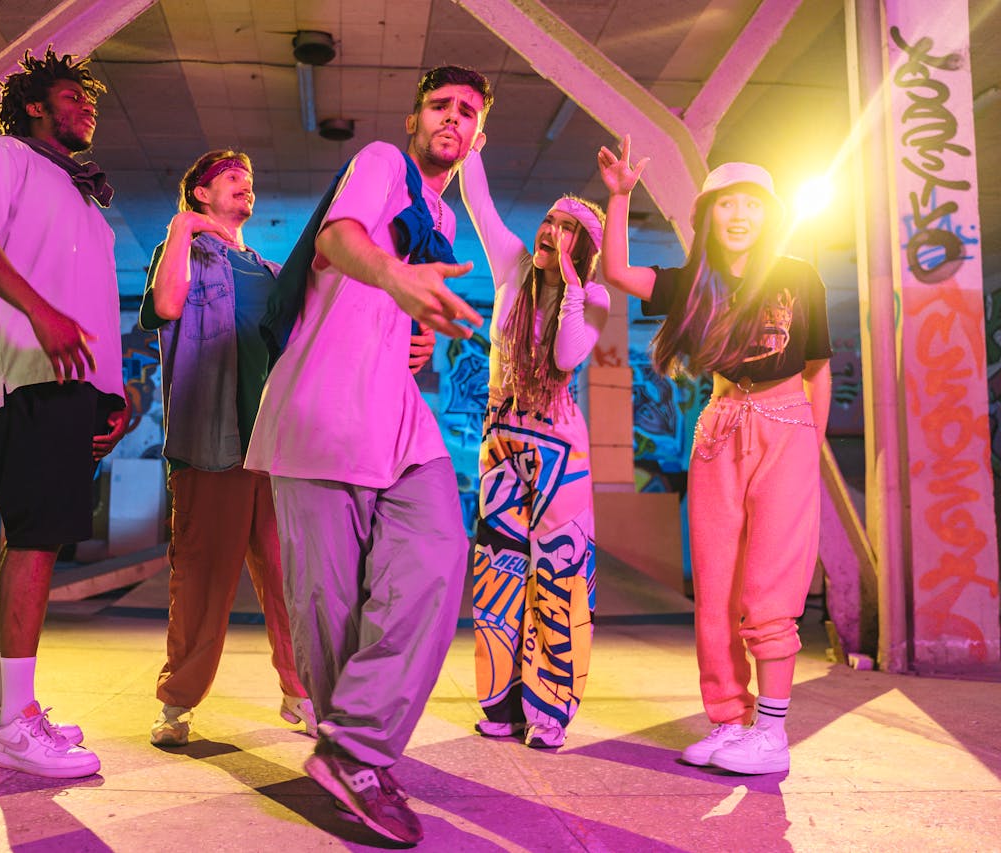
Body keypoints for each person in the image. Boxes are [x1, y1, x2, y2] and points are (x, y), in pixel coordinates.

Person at [244, 65, 491, 845]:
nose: (454, 118)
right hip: (322, 411)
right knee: (334, 611)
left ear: (478, 136)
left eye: (469, 112)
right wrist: (394, 277)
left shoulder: (444, 224)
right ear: (416, 119)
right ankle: (356, 759)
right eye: (441, 106)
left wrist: (417, 338)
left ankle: (352, 746)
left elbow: (398, 308)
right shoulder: (382, 162)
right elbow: (337, 239)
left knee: (437, 557)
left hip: (397, 420)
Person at [597, 137, 832, 775]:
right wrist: (619, 199)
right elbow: (617, 273)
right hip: (719, 430)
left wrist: (808, 441)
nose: (738, 216)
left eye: (751, 206)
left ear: (768, 216)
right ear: (708, 217)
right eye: (725, 205)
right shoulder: (693, 283)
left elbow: (817, 369)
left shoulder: (797, 277)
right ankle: (731, 722)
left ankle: (773, 734)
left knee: (767, 587)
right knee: (719, 588)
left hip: (785, 424)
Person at [0, 48, 128, 778]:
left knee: (27, 538)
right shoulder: (6, 155)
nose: (87, 108)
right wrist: (41, 313)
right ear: (38, 106)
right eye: (74, 97)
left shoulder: (81, 196)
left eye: (90, 100)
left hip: (68, 385)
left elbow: (92, 309)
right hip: (30, 377)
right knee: (39, 543)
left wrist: (111, 394)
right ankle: (18, 722)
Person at [137, 149, 314, 746]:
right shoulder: (181, 251)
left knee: (290, 576)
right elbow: (165, 307)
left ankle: (301, 690)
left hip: (272, 444)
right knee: (204, 576)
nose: (246, 186)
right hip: (211, 440)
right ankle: (177, 704)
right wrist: (183, 226)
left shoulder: (265, 270)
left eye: (249, 178)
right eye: (231, 179)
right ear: (201, 194)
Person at [458, 145, 609, 750]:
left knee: (558, 577)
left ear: (584, 247)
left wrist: (572, 286)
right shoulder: (512, 265)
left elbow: (568, 356)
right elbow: (480, 202)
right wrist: (473, 143)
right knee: (498, 572)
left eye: (569, 228)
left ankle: (549, 713)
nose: (551, 230)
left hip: (560, 451)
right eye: (551, 219)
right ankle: (500, 705)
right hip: (500, 441)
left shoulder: (592, 299)